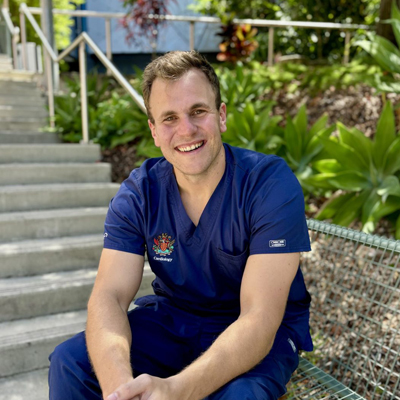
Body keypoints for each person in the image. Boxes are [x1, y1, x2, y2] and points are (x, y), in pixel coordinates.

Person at [48, 50, 313, 400]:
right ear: (154, 131)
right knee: (69, 362)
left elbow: (259, 318)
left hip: (256, 331)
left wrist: (176, 390)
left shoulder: (268, 184)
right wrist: (120, 390)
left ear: (221, 116)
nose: (186, 129)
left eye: (198, 111)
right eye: (169, 118)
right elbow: (109, 295)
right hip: (175, 320)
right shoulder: (140, 193)